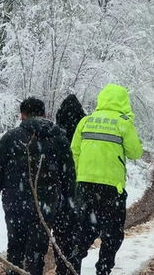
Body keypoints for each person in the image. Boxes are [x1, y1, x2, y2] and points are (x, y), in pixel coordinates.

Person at [0, 97, 76, 275]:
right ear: (44, 114)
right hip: (46, 204)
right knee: (36, 252)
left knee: (15, 249)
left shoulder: (10, 138)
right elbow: (68, 175)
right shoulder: (58, 138)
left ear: (22, 115)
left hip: (15, 202)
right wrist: (70, 203)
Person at [72, 83, 143, 275]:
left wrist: (81, 175)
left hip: (86, 184)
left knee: (85, 226)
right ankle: (103, 268)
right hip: (112, 186)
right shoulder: (123, 122)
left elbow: (75, 151)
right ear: (123, 102)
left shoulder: (86, 121)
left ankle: (74, 259)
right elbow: (135, 152)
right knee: (112, 231)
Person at [54, 94, 86, 275]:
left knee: (60, 235)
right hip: (80, 193)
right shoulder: (85, 136)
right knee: (76, 236)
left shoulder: (55, 137)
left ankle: (61, 267)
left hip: (58, 196)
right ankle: (74, 268)